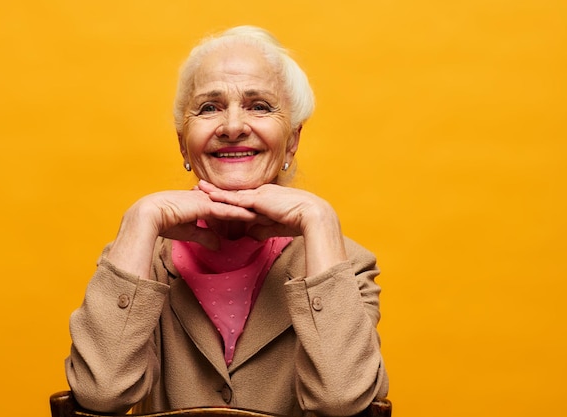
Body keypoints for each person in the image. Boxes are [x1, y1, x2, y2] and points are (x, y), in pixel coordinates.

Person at [65, 25, 388, 417]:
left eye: (259, 106)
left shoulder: (346, 265)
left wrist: (320, 220)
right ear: (183, 143)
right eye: (209, 107)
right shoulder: (139, 256)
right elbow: (101, 395)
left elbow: (342, 401)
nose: (233, 127)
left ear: (292, 141)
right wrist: (140, 219)